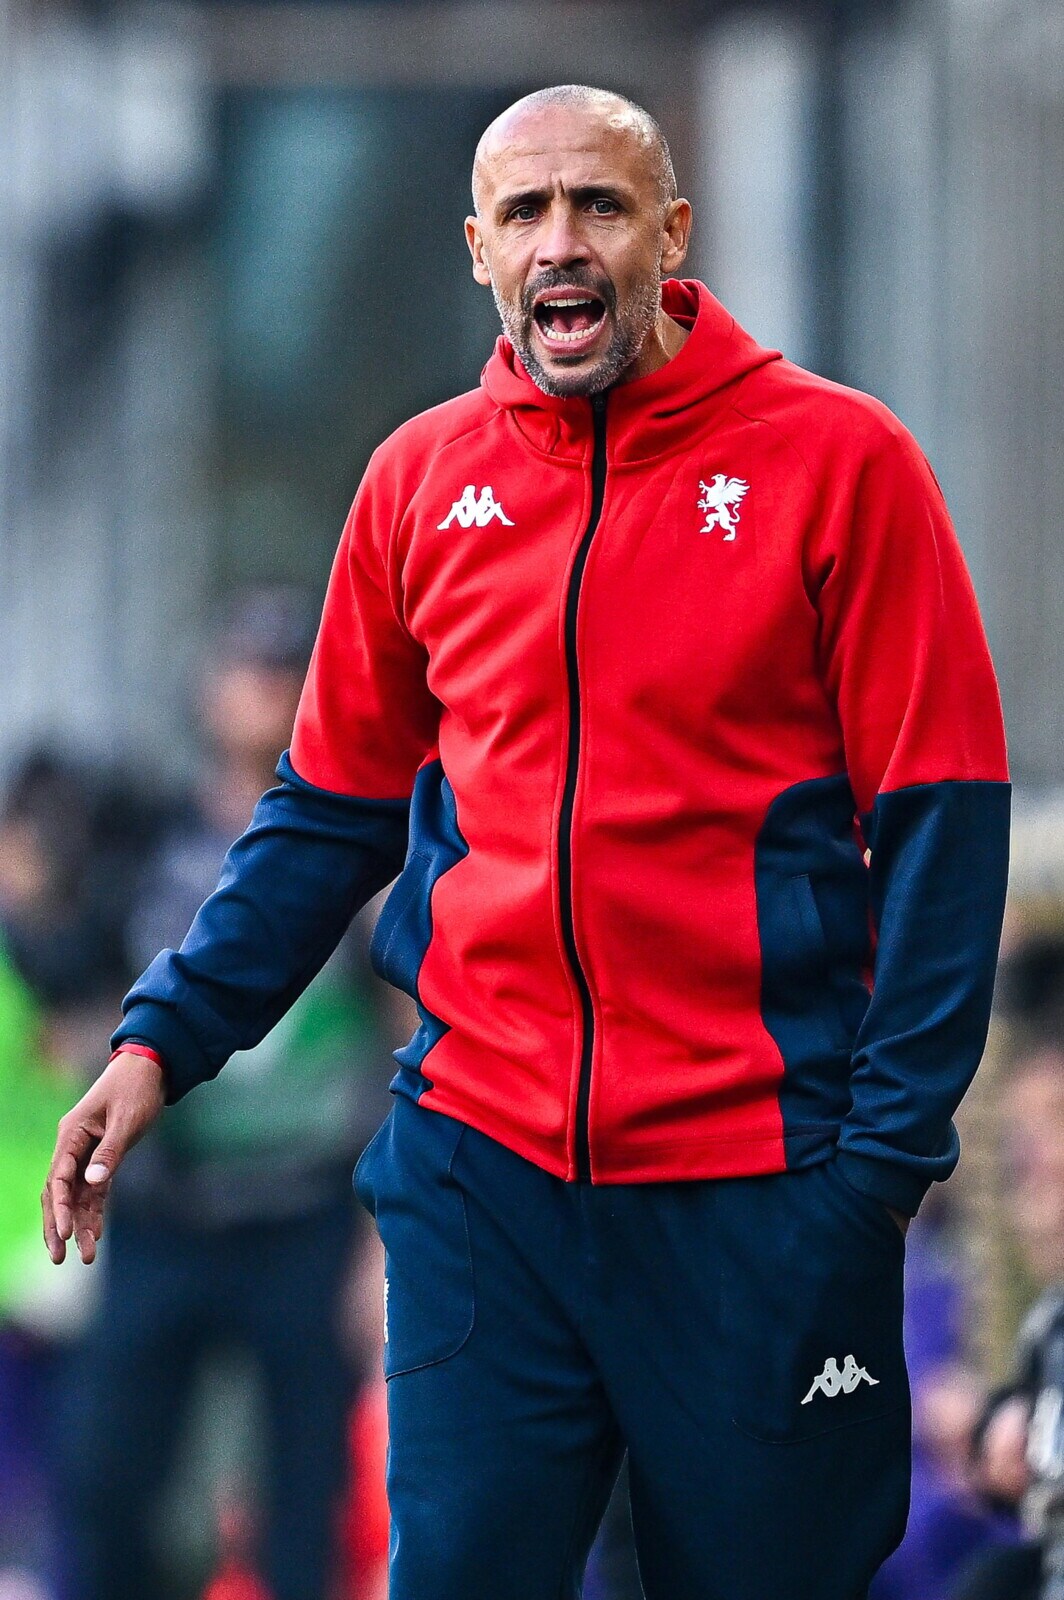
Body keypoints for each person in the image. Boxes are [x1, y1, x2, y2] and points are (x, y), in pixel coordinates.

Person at [43, 85, 1011, 1600]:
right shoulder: (418, 482)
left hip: (762, 1186)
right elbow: (325, 816)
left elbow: (944, 831)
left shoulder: (842, 464)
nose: (562, 240)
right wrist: (163, 1038)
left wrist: (877, 1171)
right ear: (480, 251)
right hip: (480, 1174)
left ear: (670, 235)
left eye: (599, 205)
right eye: (526, 213)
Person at [52, 593, 391, 1600]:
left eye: (284, 674)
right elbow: (76, 991)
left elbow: (408, 1025)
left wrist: (379, 1235)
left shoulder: (358, 849)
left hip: (305, 1212)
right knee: (108, 1474)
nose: (261, 693)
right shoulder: (148, 842)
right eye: (246, 669)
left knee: (306, 1499)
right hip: (168, 1211)